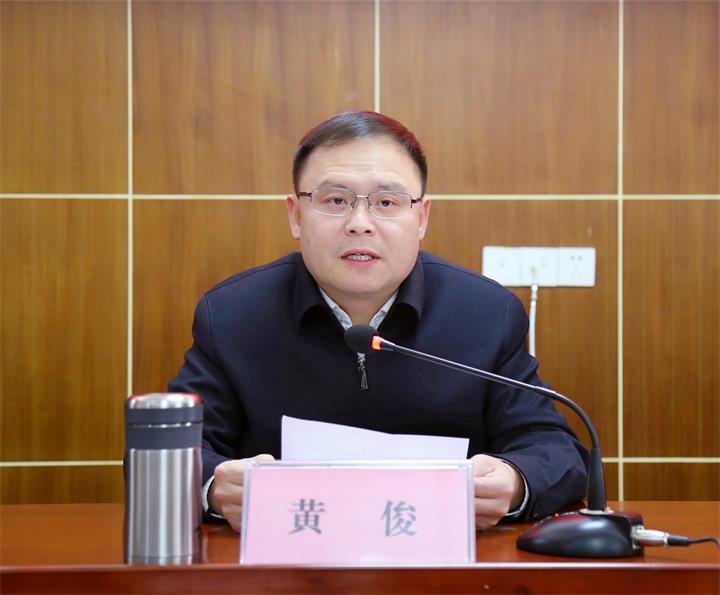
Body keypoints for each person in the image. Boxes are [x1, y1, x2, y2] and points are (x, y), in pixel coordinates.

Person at [168, 110, 588, 532]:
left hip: (441, 561)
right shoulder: (233, 315)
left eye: (386, 203)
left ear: (421, 217)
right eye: (336, 201)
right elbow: (169, 451)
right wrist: (214, 488)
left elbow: (556, 452)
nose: (360, 224)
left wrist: (515, 482)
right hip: (287, 557)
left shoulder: (486, 313)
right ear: (296, 215)